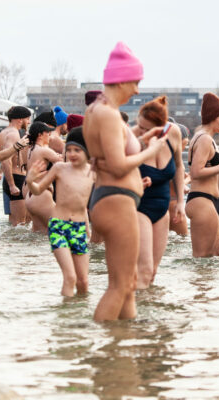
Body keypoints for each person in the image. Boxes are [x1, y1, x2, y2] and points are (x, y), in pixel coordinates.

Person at [83, 42, 167, 321]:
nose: (137, 90)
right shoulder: (107, 115)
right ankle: (101, 355)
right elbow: (118, 166)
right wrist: (151, 151)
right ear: (122, 79)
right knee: (120, 286)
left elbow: (110, 154)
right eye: (136, 82)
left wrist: (143, 139)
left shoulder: (98, 111)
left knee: (128, 284)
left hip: (113, 199)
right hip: (116, 201)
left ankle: (123, 350)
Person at [26, 127, 94, 296]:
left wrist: (88, 229)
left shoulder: (93, 173)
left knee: (83, 282)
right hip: (58, 227)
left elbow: (84, 205)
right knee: (70, 277)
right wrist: (30, 180)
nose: (71, 154)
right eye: (69, 149)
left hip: (78, 228)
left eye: (77, 150)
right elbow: (37, 190)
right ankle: (65, 320)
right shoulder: (59, 169)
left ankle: (78, 316)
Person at [131, 96, 186, 288]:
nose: (142, 132)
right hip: (138, 208)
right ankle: (132, 316)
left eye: (147, 129)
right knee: (143, 270)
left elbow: (179, 166)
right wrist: (134, 181)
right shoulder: (132, 139)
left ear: (162, 126)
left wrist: (180, 201)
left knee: (152, 272)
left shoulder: (174, 134)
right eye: (140, 126)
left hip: (162, 210)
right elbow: (115, 169)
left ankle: (150, 315)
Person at [186, 93, 219, 257]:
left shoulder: (203, 138)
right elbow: (196, 172)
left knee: (217, 253)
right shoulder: (204, 139)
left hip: (207, 202)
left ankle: (209, 283)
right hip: (201, 201)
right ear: (212, 116)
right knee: (202, 259)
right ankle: (200, 283)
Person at [24, 121, 62, 233]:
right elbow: (63, 163)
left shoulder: (31, 149)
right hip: (42, 197)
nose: (50, 135)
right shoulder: (44, 150)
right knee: (61, 231)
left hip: (30, 198)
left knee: (40, 234)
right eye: (47, 133)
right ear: (40, 135)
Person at [0, 105, 32, 226]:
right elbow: (6, 159)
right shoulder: (13, 134)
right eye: (28, 119)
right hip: (16, 179)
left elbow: (3, 156)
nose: (29, 122)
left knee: (14, 224)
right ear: (20, 120)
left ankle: (9, 245)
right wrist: (12, 185)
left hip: (11, 178)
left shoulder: (3, 132)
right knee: (21, 224)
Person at [169, 123, 190, 236]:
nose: (184, 148)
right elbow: (180, 188)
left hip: (163, 204)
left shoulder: (163, 156)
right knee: (183, 239)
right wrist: (189, 180)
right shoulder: (176, 162)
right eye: (185, 144)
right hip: (173, 204)